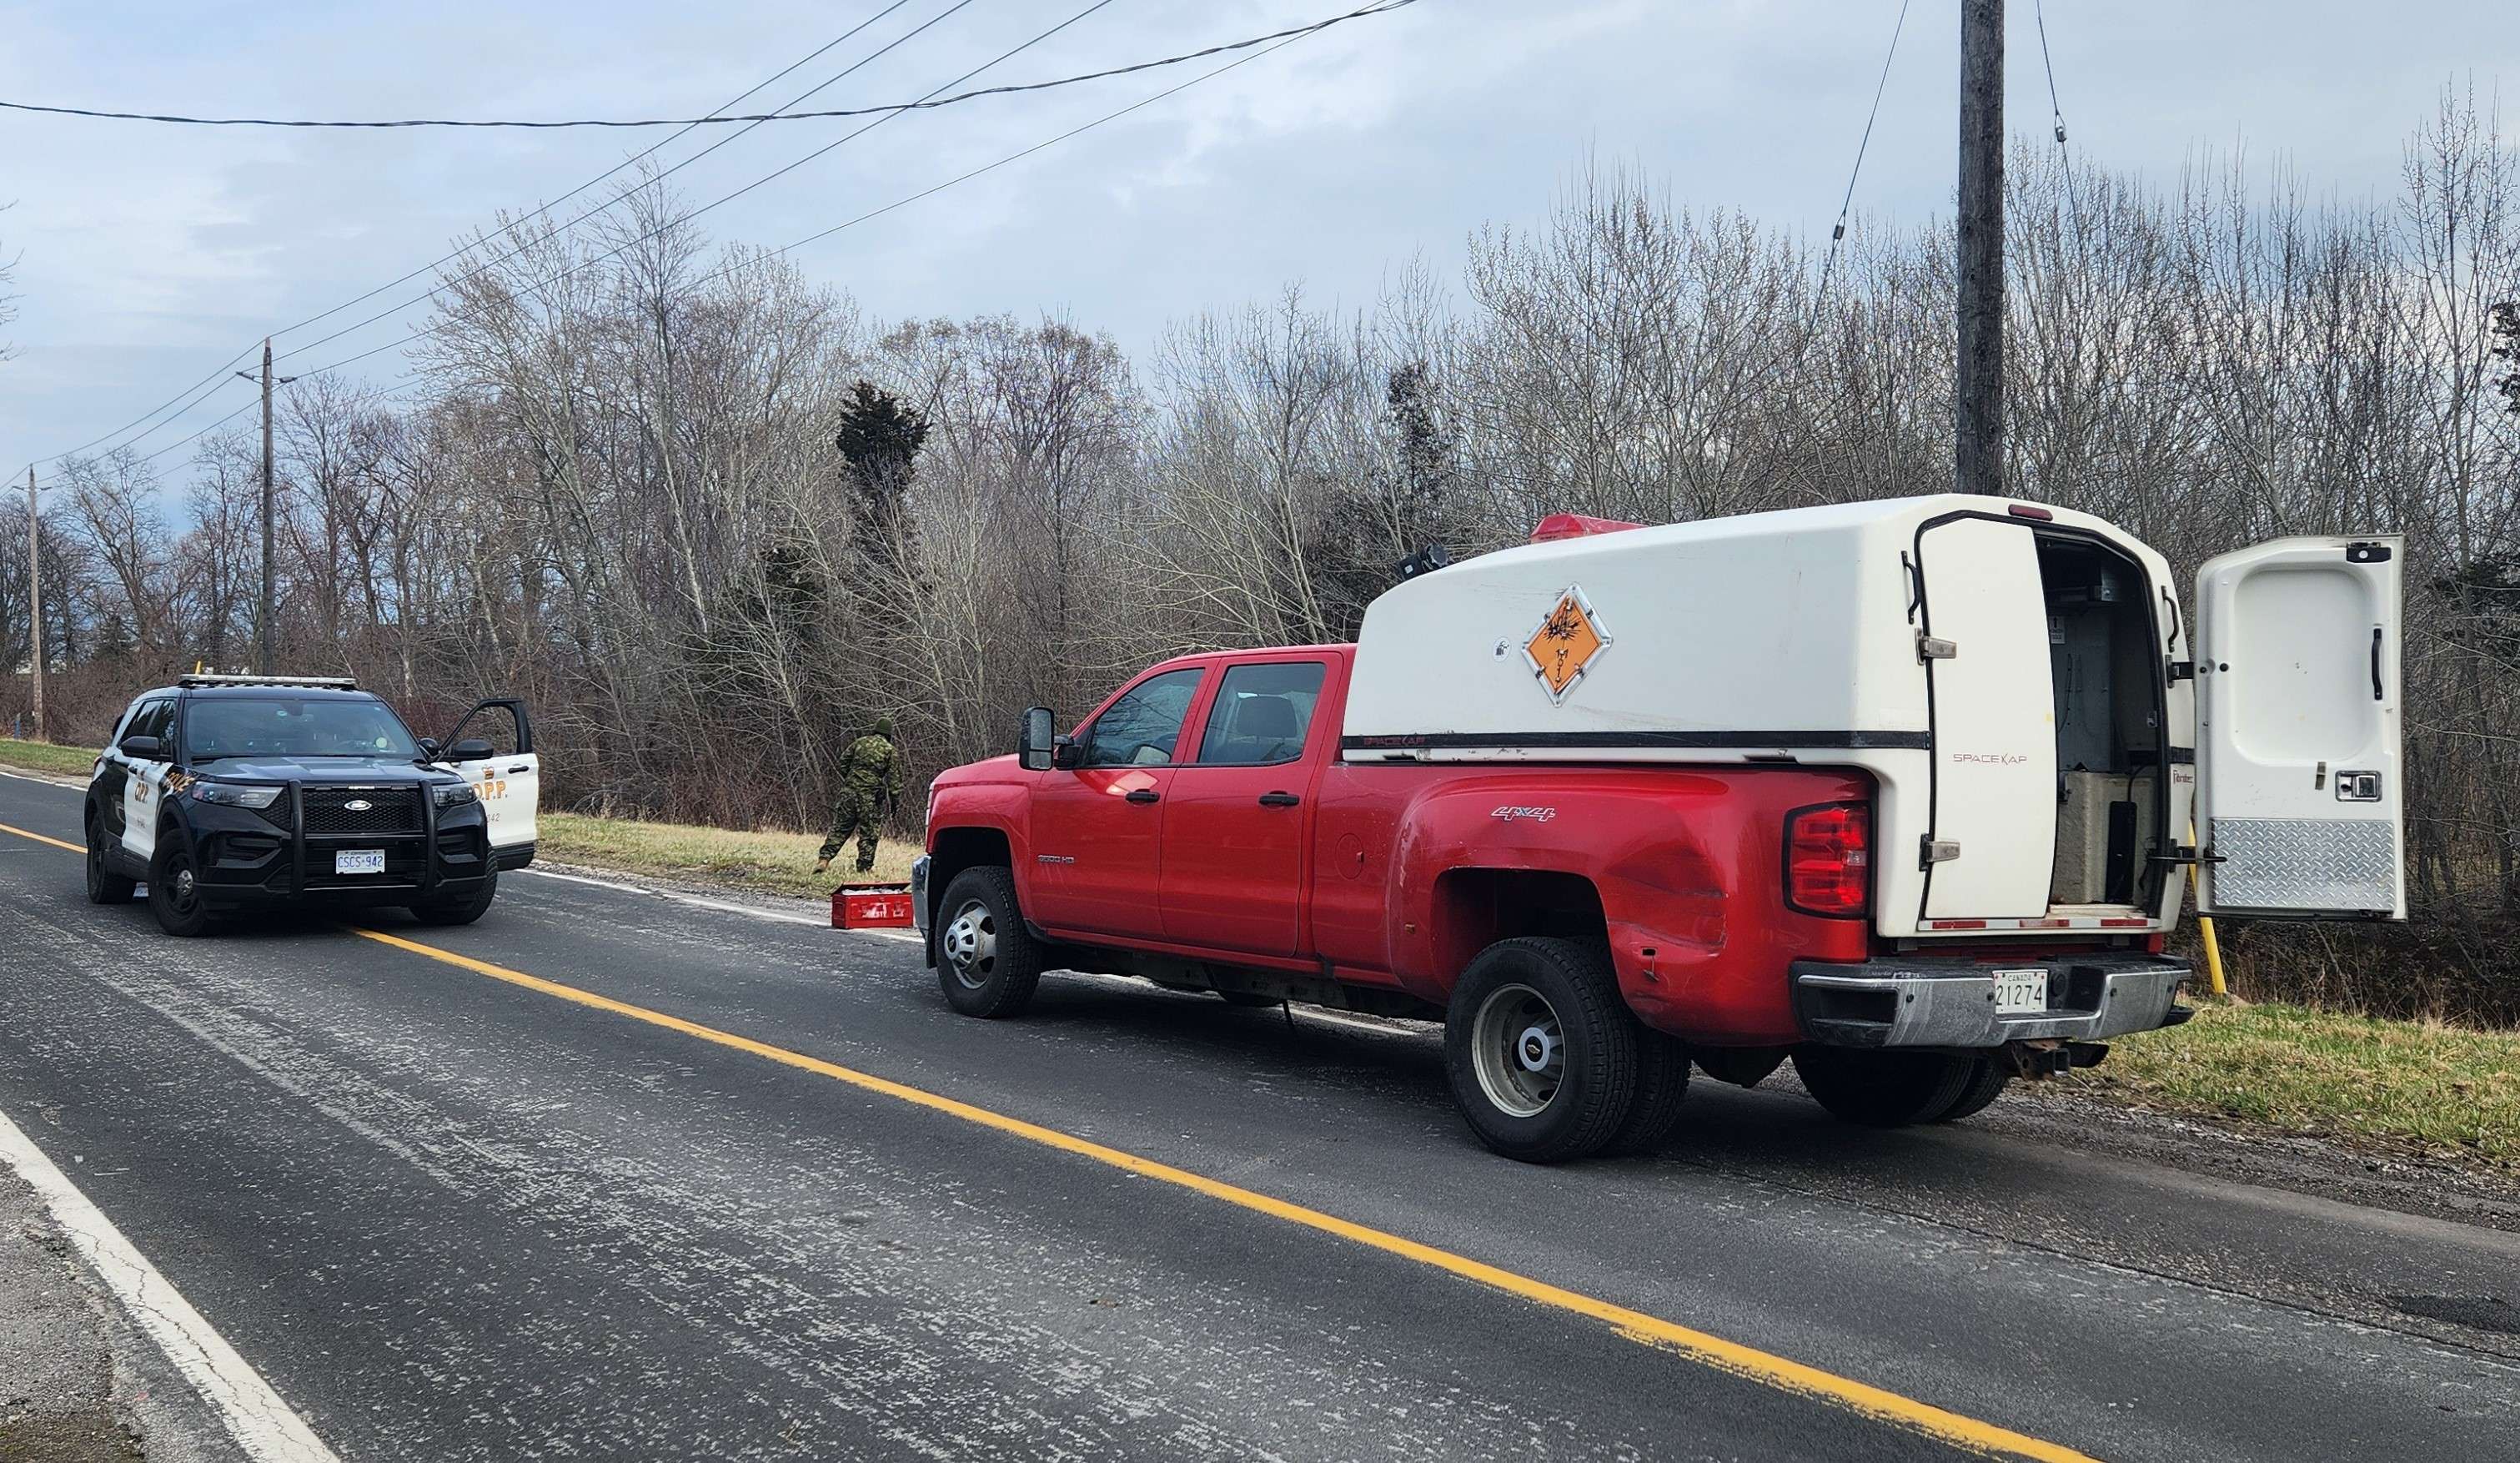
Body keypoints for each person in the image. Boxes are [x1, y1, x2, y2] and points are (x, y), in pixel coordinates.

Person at [815, 716, 901, 877]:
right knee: (869, 833)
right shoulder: (890, 750)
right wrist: (895, 801)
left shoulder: (859, 743)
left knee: (840, 828)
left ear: (875, 730)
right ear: (889, 734)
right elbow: (894, 780)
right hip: (869, 796)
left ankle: (824, 859)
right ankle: (865, 867)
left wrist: (851, 780)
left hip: (849, 793)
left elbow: (842, 763)